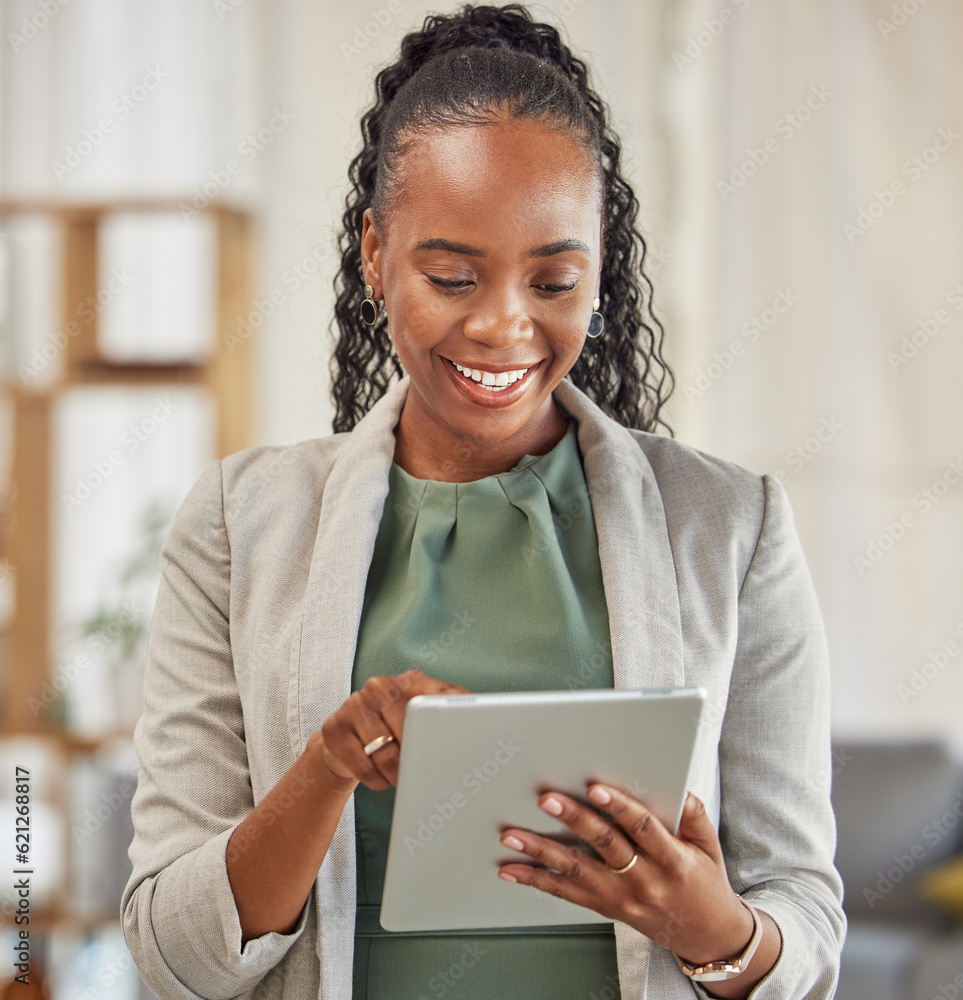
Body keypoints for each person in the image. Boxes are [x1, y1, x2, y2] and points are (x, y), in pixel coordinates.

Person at [121, 4, 846, 999]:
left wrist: (712, 929)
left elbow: (807, 921)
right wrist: (325, 767)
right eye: (453, 274)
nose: (505, 326)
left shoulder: (732, 528)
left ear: (601, 267)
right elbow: (170, 953)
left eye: (555, 279)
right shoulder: (238, 526)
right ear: (375, 253)